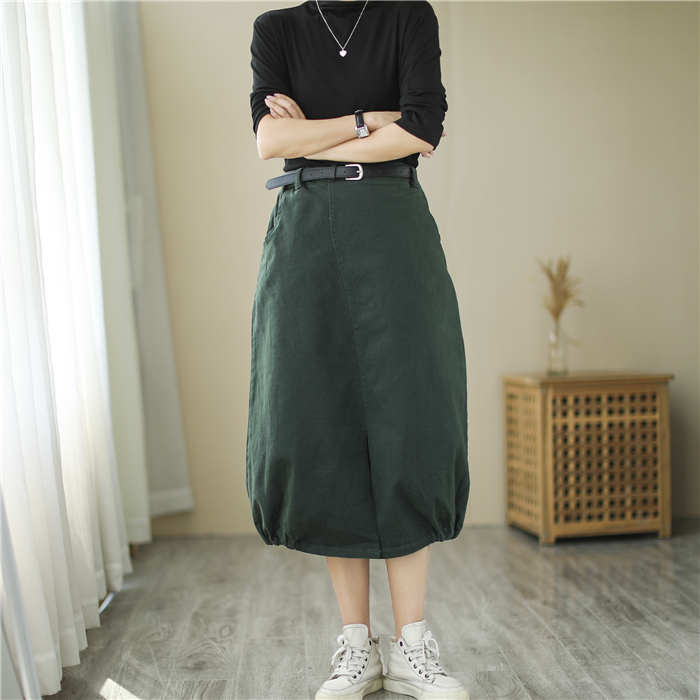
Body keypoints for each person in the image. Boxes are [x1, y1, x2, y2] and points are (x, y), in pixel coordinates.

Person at [246, 1, 470, 698]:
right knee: (324, 423)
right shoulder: (277, 30)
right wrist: (368, 121)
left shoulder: (408, 17)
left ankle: (413, 643)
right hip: (305, 234)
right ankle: (355, 645)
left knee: (410, 418)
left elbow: (422, 131)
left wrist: (312, 136)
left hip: (393, 229)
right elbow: (267, 141)